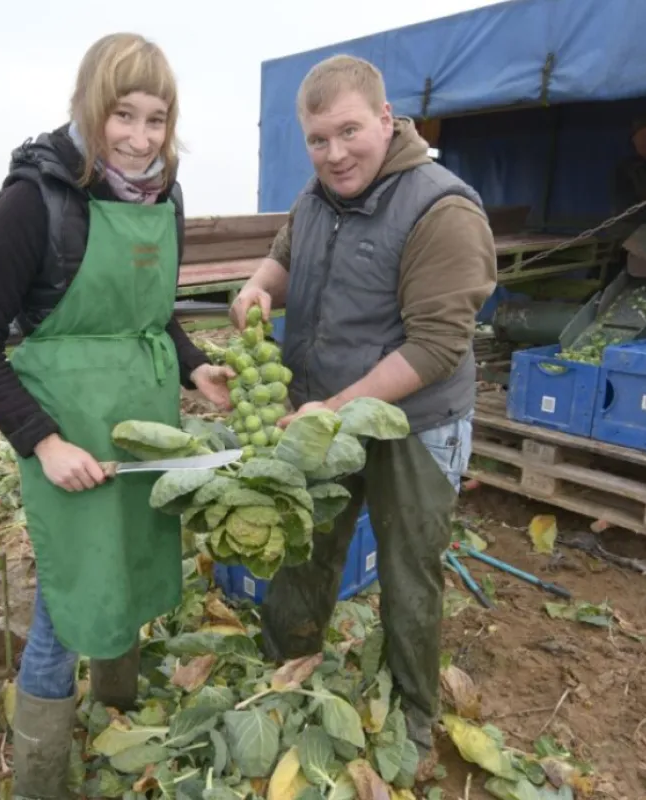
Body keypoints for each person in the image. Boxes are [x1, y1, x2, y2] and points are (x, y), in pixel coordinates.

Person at [0, 32, 233, 800]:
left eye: (157, 119)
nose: (140, 139)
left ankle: (117, 709)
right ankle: (39, 777)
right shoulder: (34, 200)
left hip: (143, 430)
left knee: (136, 569)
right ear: (89, 107)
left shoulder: (164, 195)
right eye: (123, 115)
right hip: (67, 436)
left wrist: (194, 364)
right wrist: (43, 443)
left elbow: (153, 315)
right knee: (66, 598)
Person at [229, 54, 496, 782]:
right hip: (321, 416)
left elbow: (438, 345)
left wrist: (334, 409)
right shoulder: (316, 200)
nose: (335, 153)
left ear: (386, 119)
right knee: (306, 545)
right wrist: (255, 291)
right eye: (318, 139)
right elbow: (281, 266)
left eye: (349, 131)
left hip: (416, 423)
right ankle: (286, 668)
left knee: (409, 571)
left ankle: (413, 713)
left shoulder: (443, 209)